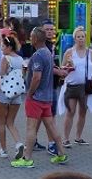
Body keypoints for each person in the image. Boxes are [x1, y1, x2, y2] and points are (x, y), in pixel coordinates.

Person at [14, 28, 69, 168]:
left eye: (31, 36)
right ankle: (61, 154)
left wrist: (30, 92)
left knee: (31, 128)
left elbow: (37, 77)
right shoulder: (48, 53)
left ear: (36, 39)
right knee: (51, 127)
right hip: (47, 97)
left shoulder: (38, 55)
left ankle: (27, 158)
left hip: (37, 98)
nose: (29, 39)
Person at [61, 26, 92, 147]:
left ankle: (78, 137)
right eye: (78, 37)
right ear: (74, 39)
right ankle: (65, 139)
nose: (81, 39)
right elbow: (62, 69)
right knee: (70, 112)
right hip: (72, 85)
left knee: (82, 112)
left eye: (83, 37)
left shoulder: (90, 52)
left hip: (85, 87)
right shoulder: (69, 52)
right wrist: (69, 65)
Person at [0, 35, 25, 160]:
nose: (2, 49)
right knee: (11, 122)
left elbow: (1, 76)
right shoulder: (20, 59)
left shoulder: (5, 59)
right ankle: (19, 143)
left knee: (1, 122)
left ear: (9, 47)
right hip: (17, 94)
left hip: (4, 92)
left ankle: (3, 149)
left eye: (3, 46)